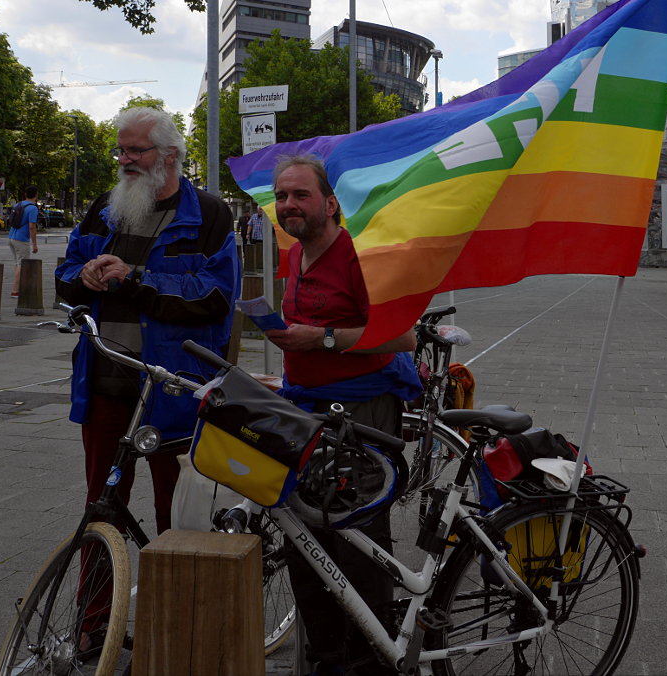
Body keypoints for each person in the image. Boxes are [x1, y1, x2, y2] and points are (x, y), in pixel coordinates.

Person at [55, 107, 240, 650]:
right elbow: (66, 274)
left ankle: (174, 632)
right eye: (121, 150)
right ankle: (95, 632)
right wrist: (82, 276)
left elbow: (214, 298)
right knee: (100, 509)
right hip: (106, 382)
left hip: (173, 389)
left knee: (175, 514)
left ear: (170, 156)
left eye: (134, 151)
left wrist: (135, 278)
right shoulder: (104, 209)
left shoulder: (209, 214)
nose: (124, 160)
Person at [265, 154, 421, 676]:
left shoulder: (357, 254)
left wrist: (324, 338)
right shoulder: (294, 254)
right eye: (282, 195)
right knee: (305, 538)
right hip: (306, 408)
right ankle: (327, 658)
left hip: (361, 407)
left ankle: (372, 660)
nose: (288, 204)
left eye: (300, 195)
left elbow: (403, 334)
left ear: (330, 204)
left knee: (355, 538)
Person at [8, 185, 39, 297]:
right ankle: (15, 291)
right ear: (36, 195)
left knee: (18, 263)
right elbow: (32, 226)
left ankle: (19, 288)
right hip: (21, 240)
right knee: (22, 264)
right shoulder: (33, 208)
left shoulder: (18, 204)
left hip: (11, 237)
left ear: (25, 194)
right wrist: (34, 244)